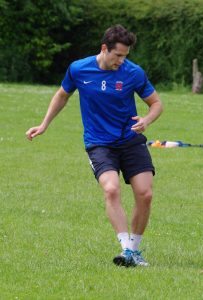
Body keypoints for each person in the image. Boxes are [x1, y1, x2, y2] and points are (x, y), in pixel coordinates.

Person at [26, 24, 163, 267]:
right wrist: (44, 124)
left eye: (125, 56)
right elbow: (62, 95)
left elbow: (156, 104)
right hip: (99, 143)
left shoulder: (133, 73)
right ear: (104, 48)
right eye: (117, 55)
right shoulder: (79, 69)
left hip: (130, 140)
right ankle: (126, 249)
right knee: (111, 189)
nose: (121, 61)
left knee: (146, 194)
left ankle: (134, 250)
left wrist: (147, 120)